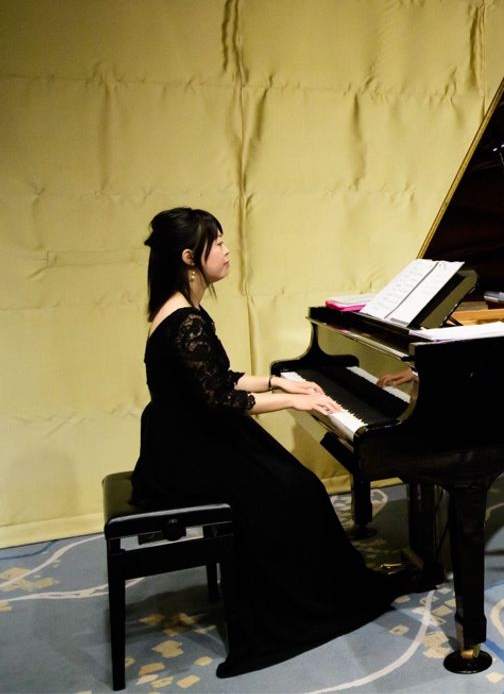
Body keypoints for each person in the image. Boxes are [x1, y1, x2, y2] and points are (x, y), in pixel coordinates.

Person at [131, 207, 408, 677]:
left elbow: (218, 378)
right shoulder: (186, 320)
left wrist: (280, 383)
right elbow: (221, 400)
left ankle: (318, 583)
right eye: (218, 243)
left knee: (292, 483)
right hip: (188, 450)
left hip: (181, 437)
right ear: (189, 258)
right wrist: (294, 401)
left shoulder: (177, 307)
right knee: (294, 490)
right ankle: (307, 601)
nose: (227, 250)